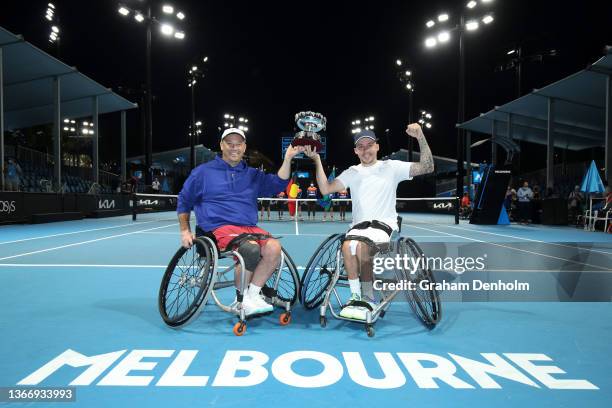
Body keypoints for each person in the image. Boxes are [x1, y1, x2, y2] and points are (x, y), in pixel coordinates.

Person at [304, 123, 434, 320]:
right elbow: (326, 189)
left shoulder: (391, 167)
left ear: (377, 147)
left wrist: (420, 136)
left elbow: (427, 166)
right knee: (348, 247)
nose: (366, 149)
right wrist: (316, 160)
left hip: (383, 226)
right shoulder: (352, 172)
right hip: (358, 228)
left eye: (369, 144)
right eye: (361, 146)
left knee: (363, 248)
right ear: (356, 151)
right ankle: (355, 297)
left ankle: (368, 297)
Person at [177, 128, 303, 316]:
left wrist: (288, 158)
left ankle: (252, 295)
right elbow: (184, 200)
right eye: (230, 143)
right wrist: (185, 231)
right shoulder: (202, 172)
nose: (234, 148)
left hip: (248, 227)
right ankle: (240, 299)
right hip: (217, 227)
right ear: (221, 145)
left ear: (244, 147)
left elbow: (278, 183)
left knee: (274, 247)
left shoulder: (253, 174)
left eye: (238, 144)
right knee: (250, 248)